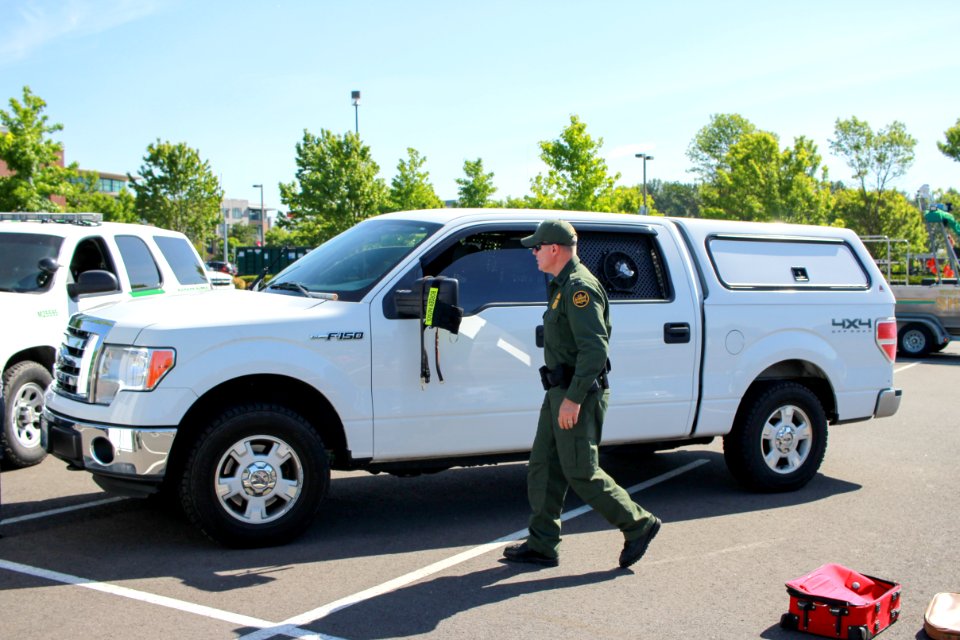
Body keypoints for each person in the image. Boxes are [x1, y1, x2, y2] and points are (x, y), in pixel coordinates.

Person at [503, 219, 661, 569]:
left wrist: (573, 398)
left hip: (579, 393)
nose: (534, 251)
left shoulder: (580, 288)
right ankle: (542, 544)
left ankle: (638, 524)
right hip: (559, 390)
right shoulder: (561, 285)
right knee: (543, 466)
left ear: (555, 249)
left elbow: (594, 350)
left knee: (581, 472)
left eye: (538, 246)